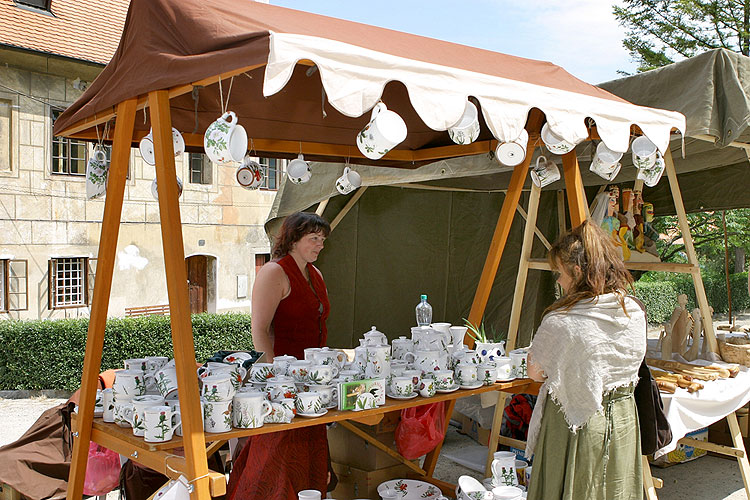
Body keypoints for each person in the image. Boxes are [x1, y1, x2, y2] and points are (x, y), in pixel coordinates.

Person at [525, 220, 646, 500]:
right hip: (625, 419)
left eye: (560, 273)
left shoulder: (561, 321)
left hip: (577, 424)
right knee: (616, 490)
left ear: (577, 271)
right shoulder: (633, 312)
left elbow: (535, 372)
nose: (558, 281)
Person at [227, 212, 332, 500]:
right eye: (313, 239)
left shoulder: (316, 274)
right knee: (277, 448)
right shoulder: (274, 272)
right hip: (281, 378)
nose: (320, 245)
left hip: (310, 378)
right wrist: (275, 377)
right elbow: (259, 330)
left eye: (322, 240)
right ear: (293, 240)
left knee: (307, 445)